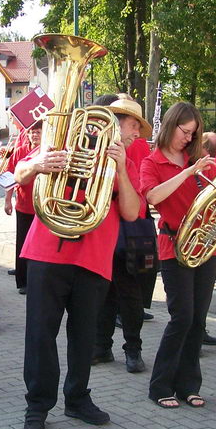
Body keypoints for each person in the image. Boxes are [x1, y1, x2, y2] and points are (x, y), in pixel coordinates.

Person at [15, 112, 141, 429]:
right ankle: (38, 405)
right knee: (41, 334)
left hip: (93, 258)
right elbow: (19, 173)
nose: (136, 133)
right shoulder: (64, 143)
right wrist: (39, 164)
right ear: (115, 124)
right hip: (47, 251)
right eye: (133, 125)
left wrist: (121, 169)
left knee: (84, 335)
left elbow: (131, 212)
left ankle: (77, 398)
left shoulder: (125, 161)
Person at [142, 103, 216, 408]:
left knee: (197, 319)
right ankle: (160, 385)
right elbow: (153, 196)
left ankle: (189, 385)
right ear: (171, 126)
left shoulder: (198, 159)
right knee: (181, 316)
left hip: (206, 246)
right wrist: (187, 173)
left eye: (193, 133)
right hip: (174, 245)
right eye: (185, 132)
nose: (188, 138)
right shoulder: (152, 161)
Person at [92, 97, 152, 374]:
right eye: (132, 125)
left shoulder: (136, 147)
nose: (137, 132)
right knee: (104, 291)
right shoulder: (94, 146)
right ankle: (102, 346)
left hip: (133, 230)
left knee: (131, 294)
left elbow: (138, 201)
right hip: (103, 231)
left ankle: (133, 349)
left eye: (138, 126)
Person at [4, 119, 42, 295]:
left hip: (42, 208)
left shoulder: (48, 152)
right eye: (32, 132)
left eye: (38, 132)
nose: (35, 135)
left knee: (39, 246)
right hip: (24, 206)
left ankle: (38, 280)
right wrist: (7, 200)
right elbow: (10, 177)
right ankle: (23, 281)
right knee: (23, 244)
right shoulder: (20, 151)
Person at [198, 131, 216, 347]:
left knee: (204, 290)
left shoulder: (214, 168)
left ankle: (200, 331)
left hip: (213, 233)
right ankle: (193, 337)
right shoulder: (194, 166)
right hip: (193, 234)